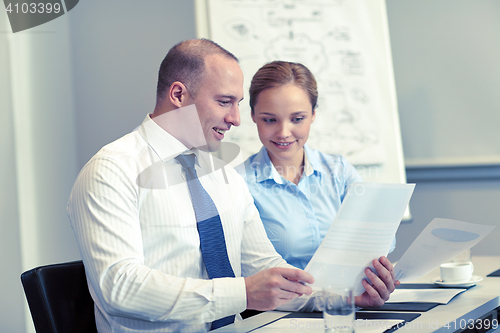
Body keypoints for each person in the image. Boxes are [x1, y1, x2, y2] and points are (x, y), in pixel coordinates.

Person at [68, 40, 396, 332]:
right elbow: (120, 288)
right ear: (179, 95)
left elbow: (265, 266)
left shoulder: (222, 173)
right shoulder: (112, 169)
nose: (237, 119)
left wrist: (341, 296)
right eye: (225, 102)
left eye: (238, 103)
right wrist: (243, 293)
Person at [240, 60, 399, 308]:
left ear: (313, 114)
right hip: (280, 319)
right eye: (270, 120)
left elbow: (380, 236)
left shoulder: (338, 170)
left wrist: (378, 273)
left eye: (297, 118)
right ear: (253, 116)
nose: (283, 132)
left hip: (349, 307)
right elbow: (255, 278)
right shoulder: (239, 184)